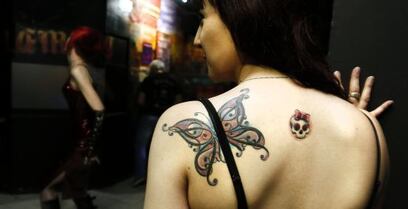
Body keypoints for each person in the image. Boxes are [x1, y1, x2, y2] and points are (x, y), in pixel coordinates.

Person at [144, 0, 392, 209]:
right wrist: (353, 118)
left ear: (241, 17)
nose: (198, 40)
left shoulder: (182, 125)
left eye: (203, 19)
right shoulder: (368, 132)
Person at [40, 26, 106, 209]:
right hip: (79, 146)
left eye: (70, 37)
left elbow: (99, 110)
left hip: (81, 149)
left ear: (74, 44)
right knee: (76, 193)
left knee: (50, 190)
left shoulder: (78, 70)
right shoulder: (82, 69)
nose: (67, 39)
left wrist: (89, 150)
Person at [132, 59, 183, 186]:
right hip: (167, 117)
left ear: (153, 69)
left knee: (141, 146)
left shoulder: (148, 80)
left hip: (149, 116)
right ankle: (165, 176)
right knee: (166, 147)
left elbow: (141, 100)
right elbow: (178, 101)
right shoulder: (174, 81)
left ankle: (140, 176)